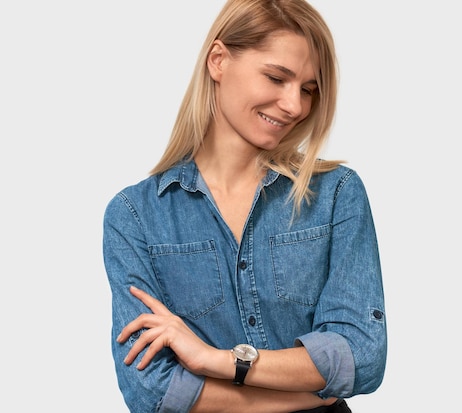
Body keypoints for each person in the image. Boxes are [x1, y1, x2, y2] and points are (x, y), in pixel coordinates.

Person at [102, 0, 387, 411]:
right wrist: (309, 392)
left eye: (308, 89)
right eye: (277, 78)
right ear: (218, 61)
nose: (295, 106)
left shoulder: (336, 194)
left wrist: (217, 361)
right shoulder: (135, 216)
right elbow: (152, 391)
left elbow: (361, 357)